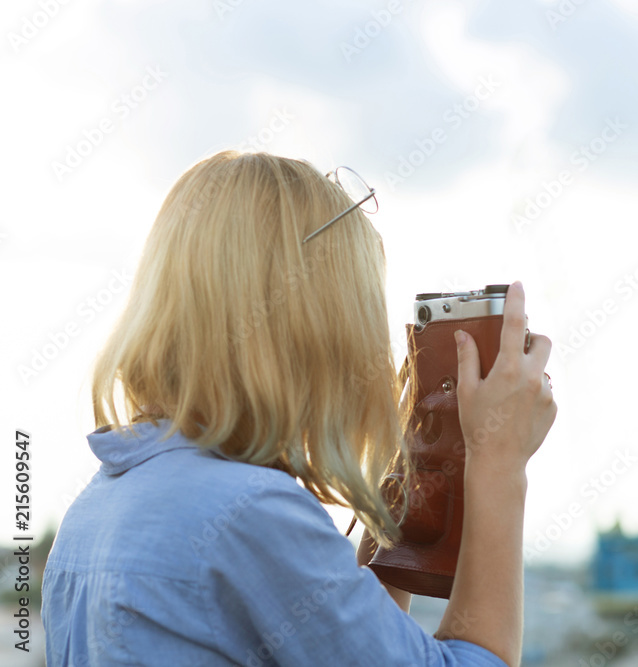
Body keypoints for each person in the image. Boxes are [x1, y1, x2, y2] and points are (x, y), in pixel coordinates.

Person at [41, 151, 557, 666]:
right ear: (316, 324)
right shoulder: (249, 513)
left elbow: (347, 645)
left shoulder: (92, 511)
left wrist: (407, 483)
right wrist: (498, 462)